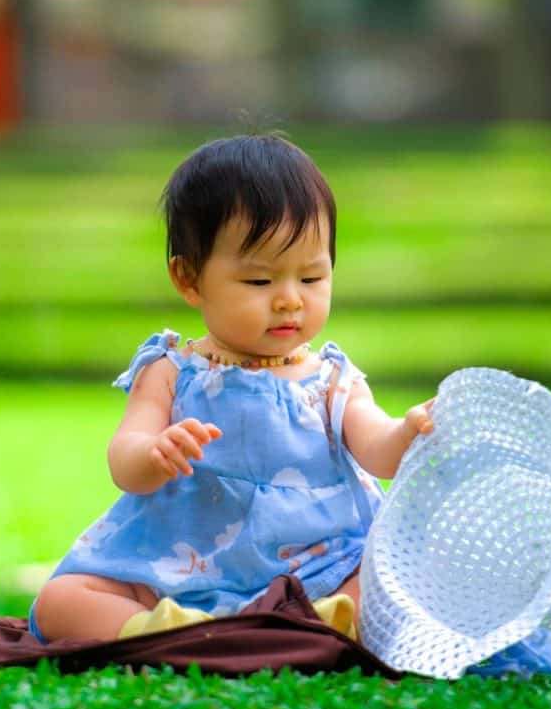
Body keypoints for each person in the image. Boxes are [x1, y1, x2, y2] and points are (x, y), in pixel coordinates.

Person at [29, 134, 434, 644]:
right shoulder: (172, 369)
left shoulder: (333, 381)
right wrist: (154, 453)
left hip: (318, 567)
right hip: (179, 568)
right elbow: (123, 459)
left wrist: (408, 433)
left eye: (311, 278)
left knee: (396, 571)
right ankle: (174, 629)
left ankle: (331, 616)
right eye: (260, 283)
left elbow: (377, 448)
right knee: (61, 600)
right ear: (189, 279)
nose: (289, 300)